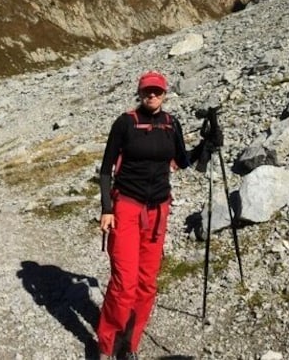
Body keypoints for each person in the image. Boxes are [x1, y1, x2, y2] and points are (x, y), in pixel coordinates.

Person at [96, 71, 191, 360]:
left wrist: (209, 145)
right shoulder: (125, 122)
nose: (152, 96)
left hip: (159, 211)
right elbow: (105, 171)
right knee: (124, 283)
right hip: (126, 207)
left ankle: (130, 343)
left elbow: (184, 162)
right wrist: (106, 209)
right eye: (147, 91)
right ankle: (106, 344)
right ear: (139, 93)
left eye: (157, 91)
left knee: (147, 283)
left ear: (165, 94)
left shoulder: (171, 124)